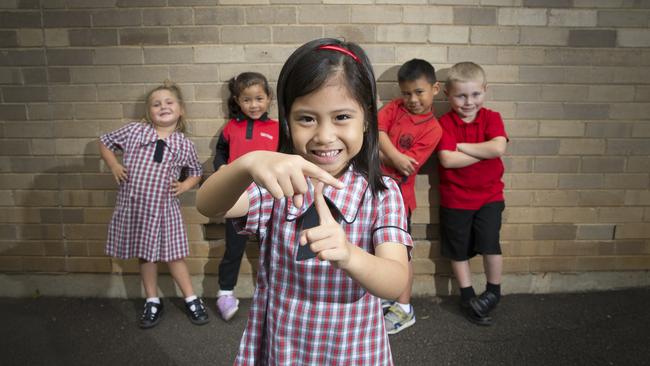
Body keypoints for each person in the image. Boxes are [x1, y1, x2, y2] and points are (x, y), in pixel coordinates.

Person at [197, 38, 412, 365]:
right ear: (287, 119)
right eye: (307, 118)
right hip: (285, 347)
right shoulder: (278, 183)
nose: (324, 136)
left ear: (367, 118)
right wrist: (247, 163)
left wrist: (349, 254)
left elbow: (396, 281)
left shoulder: (382, 194)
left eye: (341, 116)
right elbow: (209, 205)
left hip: (353, 350)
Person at [99, 81, 209, 329]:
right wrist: (114, 165)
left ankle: (191, 299)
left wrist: (184, 185)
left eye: (169, 102)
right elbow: (104, 141)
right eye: (156, 104)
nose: (163, 107)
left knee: (174, 256)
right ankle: (152, 300)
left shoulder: (183, 144)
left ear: (180, 110)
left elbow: (196, 171)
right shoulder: (134, 132)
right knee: (145, 255)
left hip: (164, 210)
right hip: (135, 208)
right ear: (149, 111)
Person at [435, 62, 508, 326]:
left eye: (475, 94)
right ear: (447, 94)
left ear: (485, 91)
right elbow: (447, 160)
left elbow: (497, 149)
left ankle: (493, 292)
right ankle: (467, 296)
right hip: (456, 199)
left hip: (490, 197)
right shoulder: (444, 123)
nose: (468, 102)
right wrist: (482, 150)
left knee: (490, 244)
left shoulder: (492, 118)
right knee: (459, 249)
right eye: (461, 96)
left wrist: (463, 147)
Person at [378, 59, 442, 334]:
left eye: (419, 92)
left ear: (435, 89)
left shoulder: (433, 129)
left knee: (401, 254)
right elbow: (375, 133)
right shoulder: (394, 108)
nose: (412, 99)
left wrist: (382, 153)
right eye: (407, 93)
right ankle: (386, 296)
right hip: (375, 194)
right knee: (378, 248)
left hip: (400, 201)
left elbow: (405, 165)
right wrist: (389, 153)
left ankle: (404, 308)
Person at [213, 72, 279, 321]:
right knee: (234, 248)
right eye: (247, 100)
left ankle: (274, 292)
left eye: (259, 98)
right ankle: (225, 293)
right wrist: (221, 167)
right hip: (237, 198)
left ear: (269, 98)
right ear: (238, 101)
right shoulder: (231, 127)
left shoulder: (276, 129)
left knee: (271, 248)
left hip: (269, 197)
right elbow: (220, 151)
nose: (254, 105)